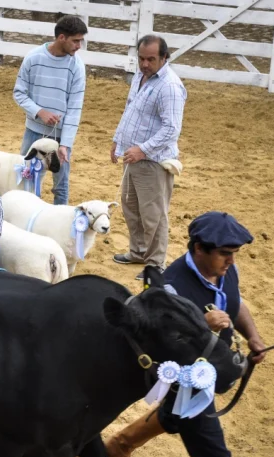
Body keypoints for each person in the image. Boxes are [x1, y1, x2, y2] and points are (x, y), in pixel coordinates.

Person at [106, 211, 272, 457]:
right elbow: (164, 340)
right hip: (182, 374)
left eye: (234, 254)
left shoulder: (223, 269)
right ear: (199, 248)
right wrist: (201, 323)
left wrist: (251, 335)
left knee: (176, 416)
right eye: (225, 254)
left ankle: (121, 444)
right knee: (208, 440)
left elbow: (234, 303)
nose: (231, 261)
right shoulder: (169, 288)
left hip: (211, 365)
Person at [111, 34, 186, 279]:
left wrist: (143, 149)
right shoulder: (140, 78)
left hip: (153, 161)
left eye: (151, 59)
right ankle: (139, 251)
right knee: (131, 206)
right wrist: (118, 140)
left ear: (164, 57)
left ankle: (155, 264)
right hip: (134, 156)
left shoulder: (170, 86)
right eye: (142, 58)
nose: (144, 64)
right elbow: (130, 110)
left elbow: (171, 129)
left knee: (154, 213)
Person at [13, 15, 88, 205]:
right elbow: (19, 93)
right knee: (25, 175)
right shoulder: (33, 57)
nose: (79, 46)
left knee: (61, 185)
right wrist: (40, 112)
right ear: (61, 37)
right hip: (33, 132)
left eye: (81, 40)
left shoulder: (77, 66)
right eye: (76, 40)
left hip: (61, 137)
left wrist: (65, 144)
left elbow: (75, 107)